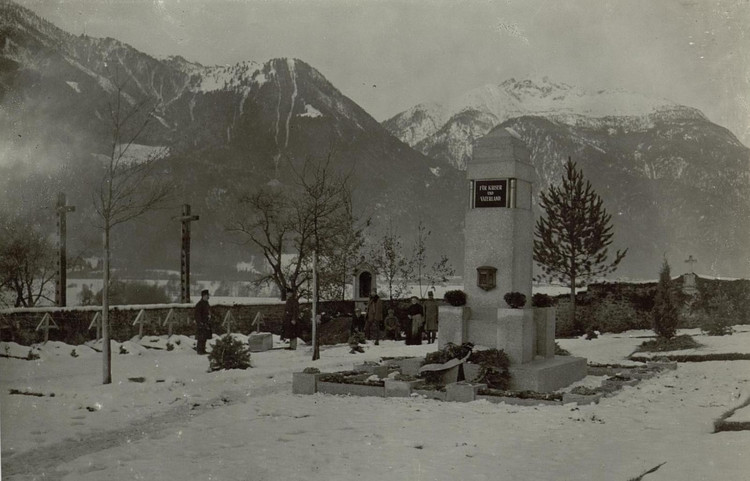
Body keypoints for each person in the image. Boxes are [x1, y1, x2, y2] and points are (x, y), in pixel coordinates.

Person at [194, 289, 212, 355]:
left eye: (208, 295)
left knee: (204, 337)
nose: (208, 297)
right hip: (201, 323)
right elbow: (197, 314)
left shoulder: (206, 303)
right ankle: (199, 350)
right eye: (206, 295)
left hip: (206, 323)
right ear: (203, 296)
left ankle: (203, 349)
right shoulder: (199, 304)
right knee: (201, 337)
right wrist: (200, 322)